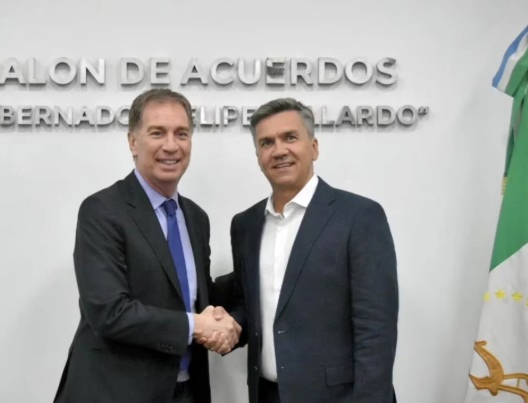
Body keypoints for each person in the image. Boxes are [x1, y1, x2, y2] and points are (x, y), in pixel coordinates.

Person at [54, 89, 241, 403]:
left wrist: (251, 283)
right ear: (133, 142)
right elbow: (109, 312)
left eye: (181, 133)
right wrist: (197, 325)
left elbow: (190, 295)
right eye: (157, 133)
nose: (171, 145)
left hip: (185, 392)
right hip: (114, 393)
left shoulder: (196, 218)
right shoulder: (102, 211)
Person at [217, 98, 398, 403]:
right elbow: (251, 306)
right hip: (266, 395)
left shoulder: (359, 216)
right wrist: (228, 325)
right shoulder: (245, 225)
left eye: (290, 137)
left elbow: (376, 329)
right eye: (267, 143)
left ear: (314, 147)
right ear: (258, 156)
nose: (279, 150)